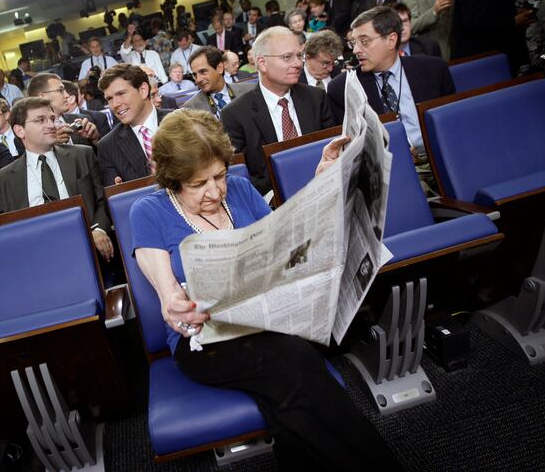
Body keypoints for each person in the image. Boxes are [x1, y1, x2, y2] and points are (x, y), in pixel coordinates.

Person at [130, 109, 401, 470]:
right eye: (198, 184)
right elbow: (164, 290)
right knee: (295, 362)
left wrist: (321, 182)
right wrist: (174, 304)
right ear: (172, 178)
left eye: (219, 176)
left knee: (287, 399)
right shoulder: (148, 210)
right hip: (204, 342)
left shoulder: (240, 189)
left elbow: (282, 244)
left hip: (267, 323)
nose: (214, 191)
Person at [0, 97, 114, 263]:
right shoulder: (1, 180)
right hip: (34, 257)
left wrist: (98, 230)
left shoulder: (82, 155)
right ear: (20, 131)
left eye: (52, 119)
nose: (51, 125)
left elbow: (101, 201)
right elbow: (2, 232)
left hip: (86, 247)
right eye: (40, 120)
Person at [328, 7, 454, 164]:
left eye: (364, 41)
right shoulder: (342, 88)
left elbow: (452, 125)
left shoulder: (434, 70)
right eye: (353, 42)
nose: (356, 50)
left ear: (391, 40)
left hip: (441, 157)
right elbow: (352, 148)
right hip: (391, 169)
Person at [222, 26, 335, 195]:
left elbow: (333, 150)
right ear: (262, 63)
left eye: (298, 55)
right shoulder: (235, 114)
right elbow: (239, 177)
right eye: (287, 57)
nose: (298, 63)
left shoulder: (317, 98)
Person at [96, 64, 173, 186]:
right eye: (109, 99)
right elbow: (117, 200)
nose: (115, 104)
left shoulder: (183, 122)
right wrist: (121, 193)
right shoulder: (107, 147)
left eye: (121, 94)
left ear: (143, 90)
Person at [184, 46, 257, 117]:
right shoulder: (191, 107)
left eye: (203, 72)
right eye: (195, 75)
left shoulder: (250, 90)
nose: (198, 79)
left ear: (220, 68)